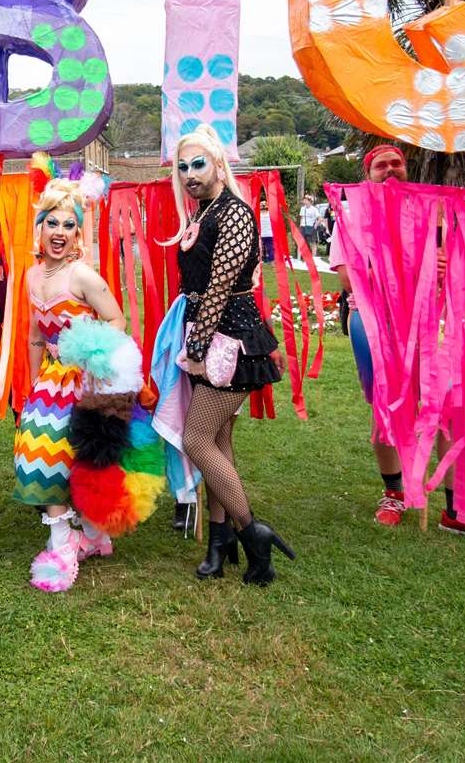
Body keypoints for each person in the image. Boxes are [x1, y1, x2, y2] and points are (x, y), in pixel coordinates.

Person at [326, 143, 465, 540]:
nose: (390, 169)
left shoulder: (433, 208)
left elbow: (460, 264)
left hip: (431, 323)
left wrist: (448, 261)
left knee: (447, 409)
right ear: (368, 172)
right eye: (381, 165)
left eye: (397, 163)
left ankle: (458, 510)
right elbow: (348, 277)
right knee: (386, 410)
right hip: (374, 321)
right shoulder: (352, 213)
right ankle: (393, 494)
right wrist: (418, 265)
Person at [167, 124, 295, 585]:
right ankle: (219, 545)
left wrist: (198, 349)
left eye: (198, 163)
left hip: (229, 343)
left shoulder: (235, 214)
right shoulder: (206, 211)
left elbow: (220, 287)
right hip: (209, 335)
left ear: (219, 164)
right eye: (182, 167)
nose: (189, 174)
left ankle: (251, 532)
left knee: (196, 439)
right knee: (219, 442)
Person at [13, 179, 125, 592]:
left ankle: (85, 537)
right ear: (40, 229)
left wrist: (85, 350)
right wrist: (31, 384)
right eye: (52, 224)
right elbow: (35, 337)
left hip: (85, 378)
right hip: (50, 381)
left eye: (68, 226)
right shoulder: (30, 276)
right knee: (37, 452)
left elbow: (117, 319)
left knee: (77, 456)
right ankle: (74, 538)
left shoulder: (83, 276)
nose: (59, 233)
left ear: (78, 234)